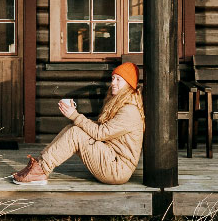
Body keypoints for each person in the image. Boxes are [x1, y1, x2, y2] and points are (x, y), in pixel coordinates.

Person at [11, 62, 144, 185]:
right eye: (113, 78)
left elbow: (101, 133)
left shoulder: (129, 110)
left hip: (117, 168)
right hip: (110, 158)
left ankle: (40, 171)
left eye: (118, 79)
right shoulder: (120, 105)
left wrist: (74, 115)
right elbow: (101, 129)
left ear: (129, 85)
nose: (113, 83)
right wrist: (75, 116)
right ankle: (39, 165)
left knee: (76, 133)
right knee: (73, 128)